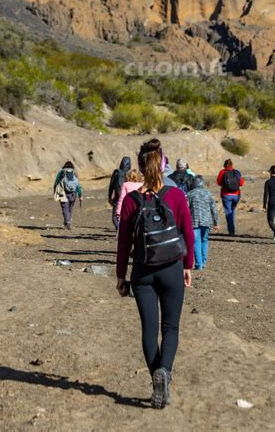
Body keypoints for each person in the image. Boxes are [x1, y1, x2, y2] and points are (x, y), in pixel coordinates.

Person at [116, 138, 194, 409]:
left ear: (139, 166)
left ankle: (156, 380)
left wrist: (120, 276)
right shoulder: (176, 195)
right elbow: (188, 234)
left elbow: (124, 242)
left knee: (149, 330)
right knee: (170, 327)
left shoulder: (131, 200)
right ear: (163, 164)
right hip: (172, 268)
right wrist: (187, 266)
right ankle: (165, 374)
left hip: (142, 272)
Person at [187, 175, 219, 269]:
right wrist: (216, 222)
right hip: (207, 221)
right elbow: (214, 209)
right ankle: (203, 262)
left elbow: (186, 209)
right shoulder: (208, 194)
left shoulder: (190, 194)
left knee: (196, 242)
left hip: (194, 221)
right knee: (204, 240)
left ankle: (199, 264)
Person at [217, 159, 244, 235]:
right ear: (232, 165)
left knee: (228, 212)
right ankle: (232, 228)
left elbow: (218, 183)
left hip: (226, 195)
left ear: (224, 165)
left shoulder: (222, 172)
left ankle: (231, 231)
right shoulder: (236, 172)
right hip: (236, 195)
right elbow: (241, 183)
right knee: (232, 211)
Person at [53, 161, 82, 229]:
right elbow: (78, 185)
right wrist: (80, 195)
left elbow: (56, 182)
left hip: (63, 193)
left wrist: (55, 191)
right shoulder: (74, 172)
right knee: (69, 209)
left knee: (64, 208)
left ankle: (68, 221)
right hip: (73, 194)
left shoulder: (62, 172)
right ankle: (67, 222)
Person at [108, 156, 131, 229]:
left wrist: (109, 196)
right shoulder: (131, 174)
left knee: (115, 217)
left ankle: (120, 229)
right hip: (129, 198)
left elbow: (111, 185)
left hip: (118, 198)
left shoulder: (116, 172)